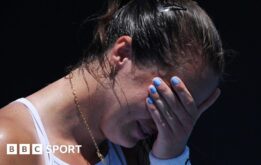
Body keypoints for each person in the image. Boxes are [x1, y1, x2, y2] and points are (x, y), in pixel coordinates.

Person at [0, 0, 225, 164]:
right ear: (123, 53)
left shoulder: (136, 151)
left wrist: (171, 157)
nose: (166, 125)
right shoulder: (9, 143)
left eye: (183, 111)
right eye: (168, 99)